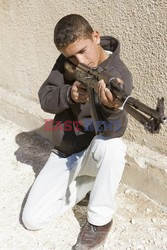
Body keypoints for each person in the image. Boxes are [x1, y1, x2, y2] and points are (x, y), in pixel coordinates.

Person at [22, 14, 133, 249]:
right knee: (32, 219)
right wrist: (68, 94)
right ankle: (88, 187)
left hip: (94, 153)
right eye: (71, 57)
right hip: (65, 153)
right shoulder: (68, 62)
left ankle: (100, 221)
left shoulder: (119, 75)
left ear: (95, 36)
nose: (79, 60)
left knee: (112, 146)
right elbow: (45, 98)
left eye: (83, 51)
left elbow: (115, 131)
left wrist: (113, 108)